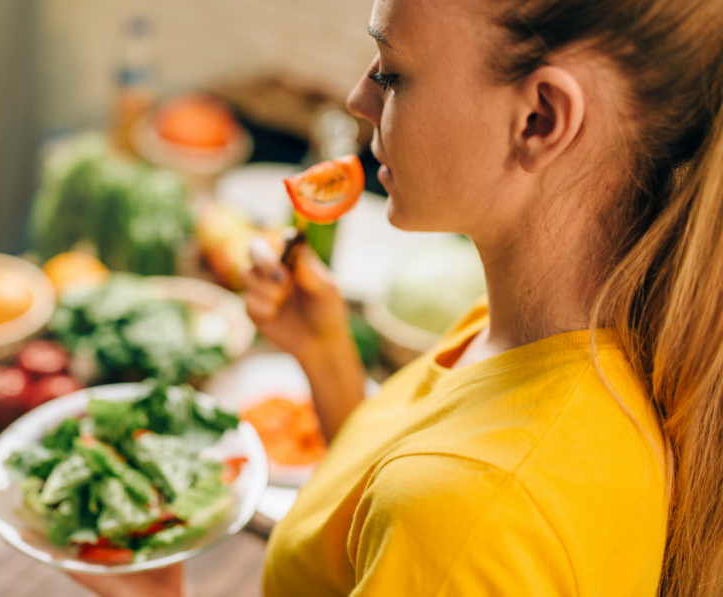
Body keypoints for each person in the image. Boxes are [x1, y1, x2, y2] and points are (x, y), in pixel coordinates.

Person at [71, 0, 723, 594]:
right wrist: (325, 354)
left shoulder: (469, 513)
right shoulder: (544, 336)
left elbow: (437, 511)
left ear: (539, 118)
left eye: (391, 74)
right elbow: (384, 502)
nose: (358, 97)